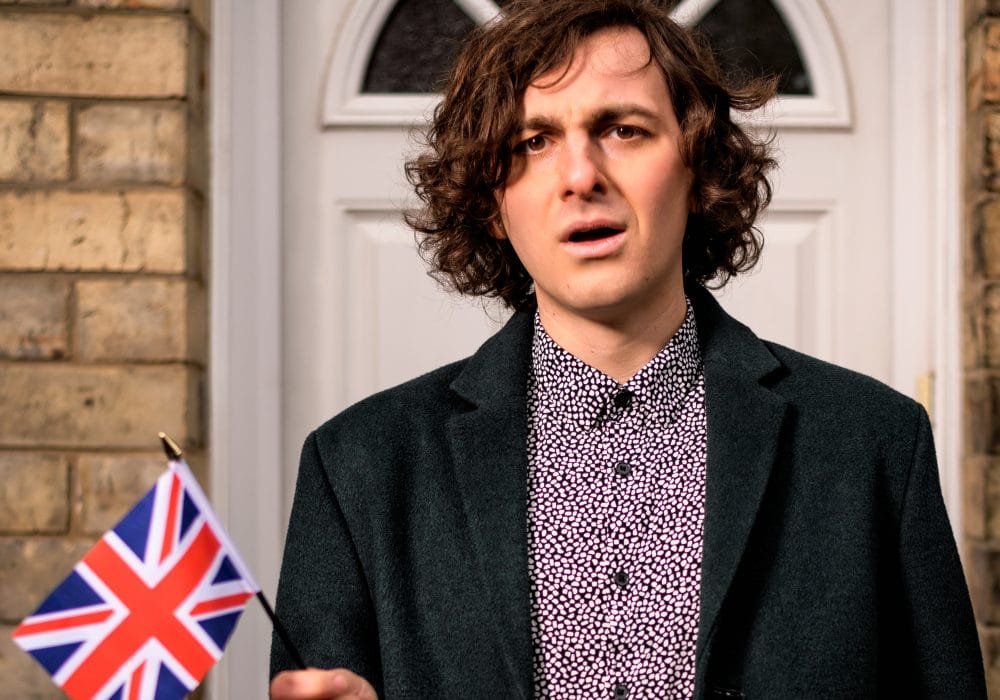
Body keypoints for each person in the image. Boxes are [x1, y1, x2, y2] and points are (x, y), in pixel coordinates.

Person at [269, 0, 986, 697]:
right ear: (492, 203)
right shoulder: (357, 468)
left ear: (697, 169)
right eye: (533, 142)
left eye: (623, 130)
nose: (581, 175)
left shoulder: (876, 446)